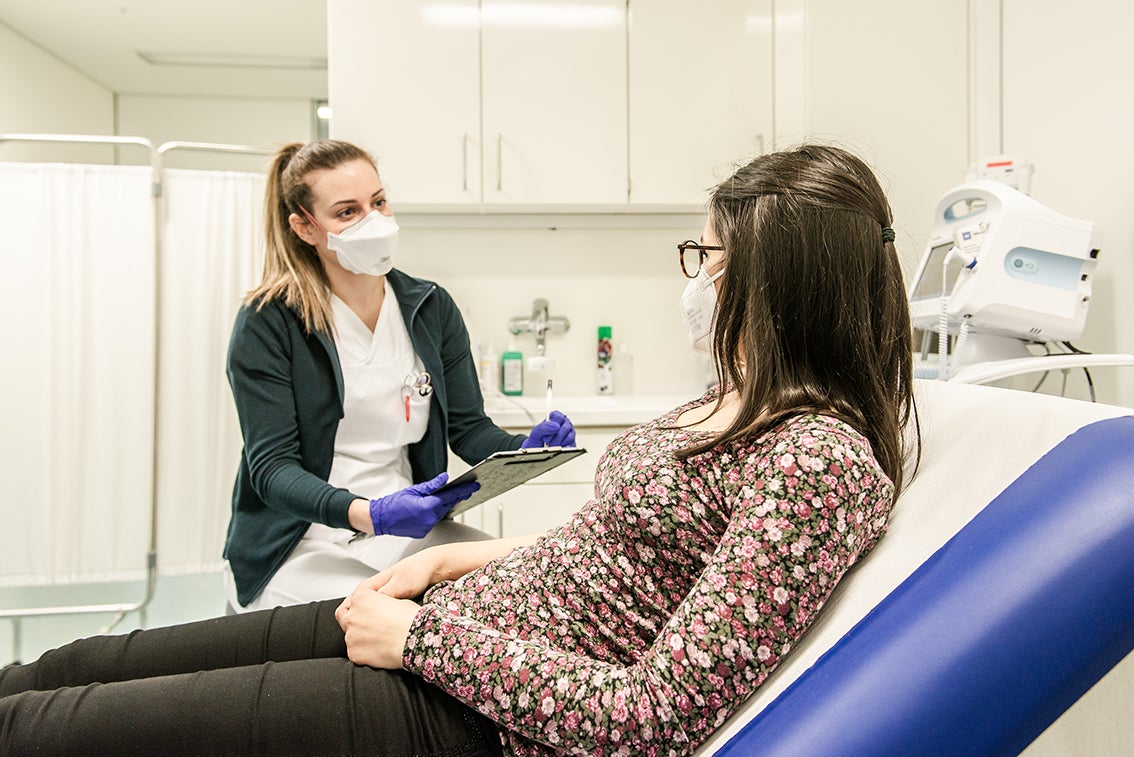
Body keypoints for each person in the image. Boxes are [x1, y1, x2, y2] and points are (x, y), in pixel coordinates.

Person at [0, 144, 918, 756]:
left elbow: (650, 715)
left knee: (64, 726)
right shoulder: (734, 401)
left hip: (464, 704)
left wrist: (426, 639)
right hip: (426, 602)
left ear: (780, 287)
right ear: (303, 225)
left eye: (710, 259)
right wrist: (458, 566)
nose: (696, 277)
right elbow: (626, 555)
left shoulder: (817, 463)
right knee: (82, 665)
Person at [222, 139, 575, 612]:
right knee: (395, 626)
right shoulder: (270, 321)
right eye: (347, 212)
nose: (373, 220)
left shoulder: (430, 307)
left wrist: (524, 451)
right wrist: (369, 514)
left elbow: (469, 430)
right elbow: (272, 469)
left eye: (379, 202)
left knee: (515, 589)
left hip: (405, 528)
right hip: (302, 543)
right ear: (305, 227)